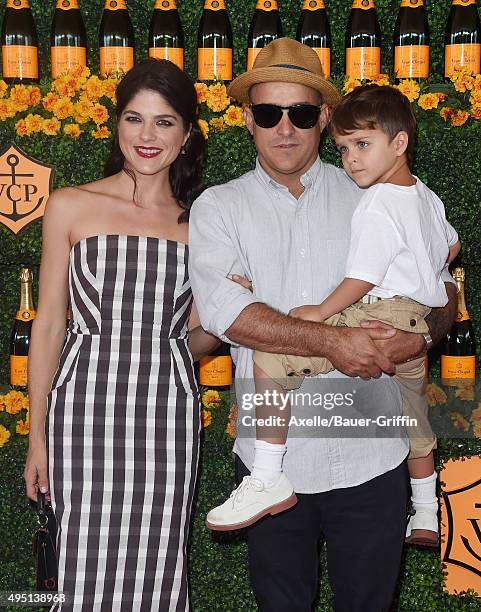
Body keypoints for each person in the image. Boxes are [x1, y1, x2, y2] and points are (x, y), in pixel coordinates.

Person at [189, 39, 457, 611]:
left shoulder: (375, 191)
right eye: (268, 113)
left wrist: (421, 332)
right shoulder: (219, 207)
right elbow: (226, 313)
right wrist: (333, 340)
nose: (285, 128)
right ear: (247, 119)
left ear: (325, 117)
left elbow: (446, 289)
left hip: (375, 454)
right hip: (275, 462)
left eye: (302, 113)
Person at [23, 59, 219, 611]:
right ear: (116, 126)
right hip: (82, 413)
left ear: (187, 135)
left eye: (164, 122)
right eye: (135, 119)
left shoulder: (202, 225)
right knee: (80, 563)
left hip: (166, 416)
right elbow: (50, 324)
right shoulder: (69, 205)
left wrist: (224, 313)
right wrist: (37, 436)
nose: (147, 136)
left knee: (159, 563)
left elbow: (196, 336)